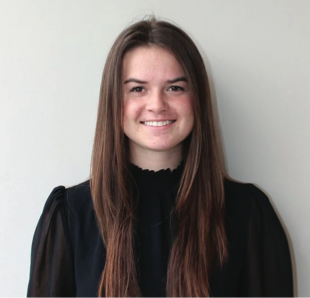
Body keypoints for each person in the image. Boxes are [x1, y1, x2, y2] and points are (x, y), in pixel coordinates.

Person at [27, 17, 293, 297]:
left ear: (197, 98)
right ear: (114, 101)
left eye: (175, 88)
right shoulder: (69, 217)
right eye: (137, 89)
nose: (157, 105)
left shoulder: (249, 215)